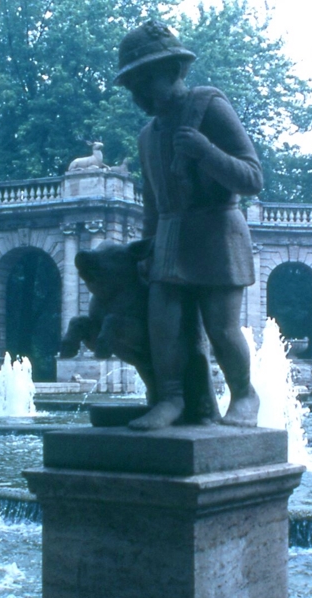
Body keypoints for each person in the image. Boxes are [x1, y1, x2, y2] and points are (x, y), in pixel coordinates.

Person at [114, 20, 262, 430]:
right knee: (163, 326)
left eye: (146, 81)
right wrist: (146, 249)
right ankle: (173, 399)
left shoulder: (208, 105)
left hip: (217, 233)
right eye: (132, 87)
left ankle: (245, 394)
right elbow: (152, 200)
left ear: (175, 70)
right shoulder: (148, 135)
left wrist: (205, 151)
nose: (139, 95)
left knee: (222, 328)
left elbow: (252, 177)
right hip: (170, 237)